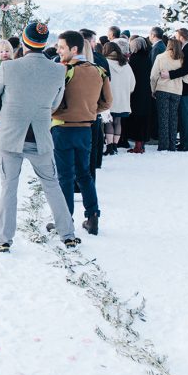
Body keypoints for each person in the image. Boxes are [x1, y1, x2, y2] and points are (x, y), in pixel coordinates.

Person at [0, 22, 79, 251]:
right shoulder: (58, 70)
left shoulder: (8, 67)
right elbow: (55, 104)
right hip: (40, 137)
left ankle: (4, 239)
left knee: (9, 187)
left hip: (10, 136)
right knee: (52, 185)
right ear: (45, 44)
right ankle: (67, 234)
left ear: (24, 43)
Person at [53, 30, 111, 236]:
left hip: (62, 127)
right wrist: (89, 111)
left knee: (65, 176)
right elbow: (107, 102)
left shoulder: (63, 70)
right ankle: (92, 217)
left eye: (61, 47)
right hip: (86, 128)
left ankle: (65, 220)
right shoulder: (99, 71)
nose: (58, 51)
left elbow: (52, 100)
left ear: (74, 49)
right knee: (84, 174)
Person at [160, 28, 188, 151]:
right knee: (184, 116)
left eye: (176, 36)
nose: (175, 38)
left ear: (182, 38)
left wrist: (170, 74)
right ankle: (184, 142)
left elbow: (185, 69)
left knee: (187, 117)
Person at [80, 29, 109, 176]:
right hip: (93, 108)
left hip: (76, 113)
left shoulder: (66, 65)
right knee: (94, 139)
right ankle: (94, 165)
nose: (95, 44)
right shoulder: (100, 62)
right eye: (93, 41)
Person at [150, 38, 184, 152]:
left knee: (163, 118)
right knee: (173, 118)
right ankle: (172, 145)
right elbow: (186, 76)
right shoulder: (181, 59)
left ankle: (164, 145)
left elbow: (153, 76)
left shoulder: (160, 57)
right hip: (177, 91)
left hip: (162, 90)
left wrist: (153, 89)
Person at [101, 42, 135, 156]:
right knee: (118, 121)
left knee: (108, 121)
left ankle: (109, 147)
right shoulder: (126, 64)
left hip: (109, 97)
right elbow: (133, 83)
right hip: (123, 99)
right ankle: (115, 146)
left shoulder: (105, 63)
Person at [125, 36, 152, 153]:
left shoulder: (133, 59)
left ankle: (138, 146)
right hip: (146, 91)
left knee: (136, 118)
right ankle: (142, 143)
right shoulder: (148, 58)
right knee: (144, 117)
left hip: (135, 91)